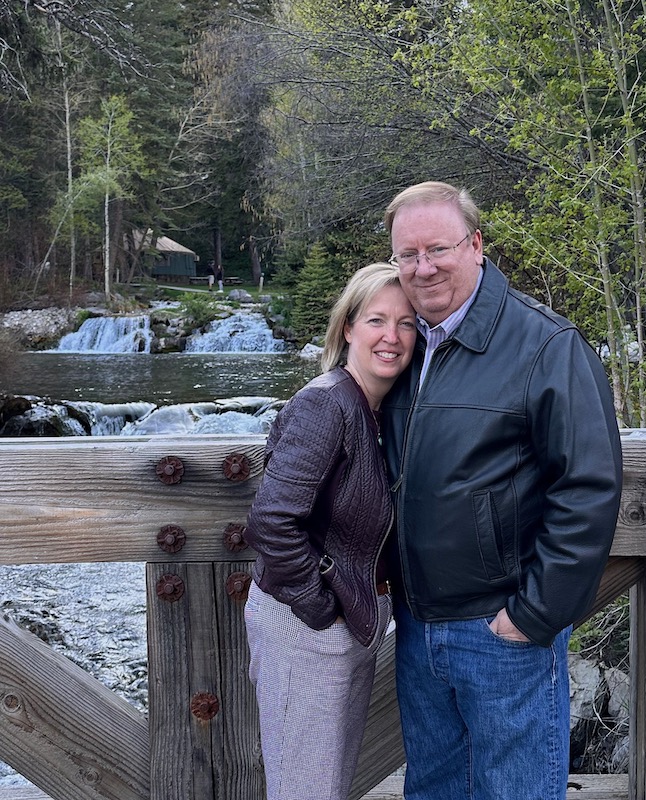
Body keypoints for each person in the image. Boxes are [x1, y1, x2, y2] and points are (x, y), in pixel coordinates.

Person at [380, 181, 623, 800]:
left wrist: (534, 614)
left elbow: (588, 487)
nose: (423, 267)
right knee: (433, 790)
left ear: (477, 246)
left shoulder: (545, 344)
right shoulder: (404, 345)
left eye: (438, 248)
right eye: (407, 254)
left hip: (501, 630)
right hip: (417, 624)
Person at [243, 262, 417, 800]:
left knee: (328, 788)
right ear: (347, 327)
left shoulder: (377, 409)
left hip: (347, 625)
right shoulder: (327, 403)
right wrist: (322, 608)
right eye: (376, 320)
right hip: (305, 628)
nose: (392, 336)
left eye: (407, 323)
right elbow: (271, 521)